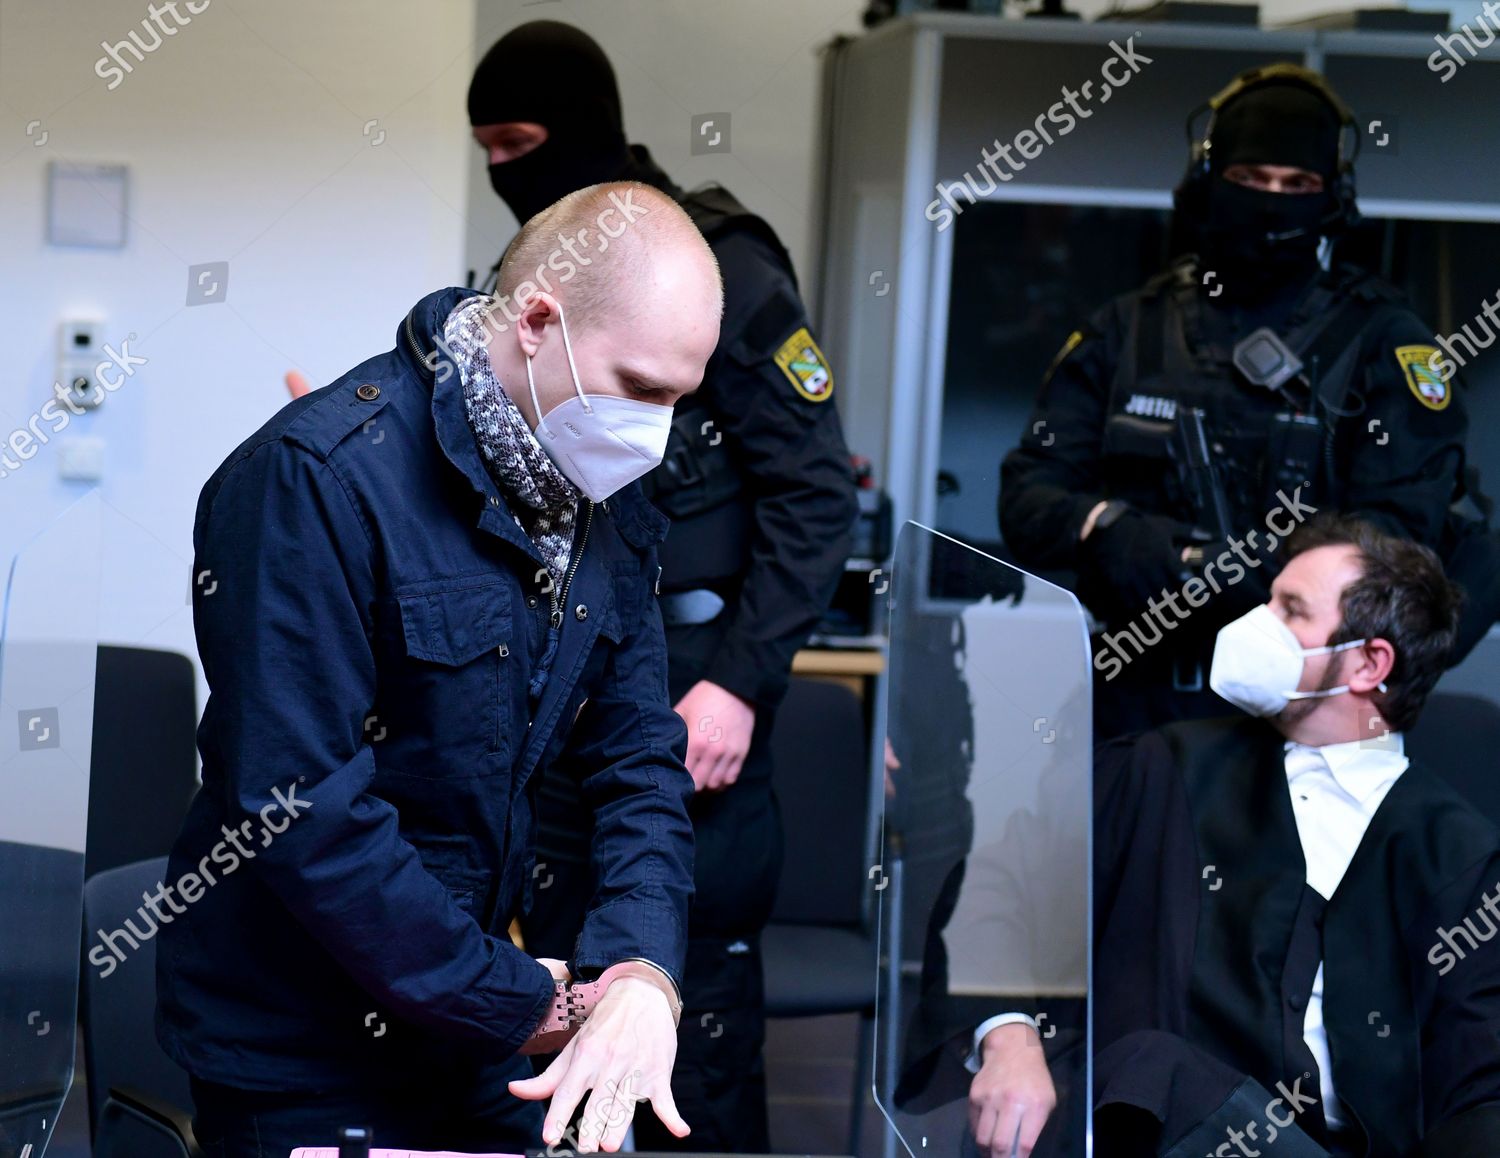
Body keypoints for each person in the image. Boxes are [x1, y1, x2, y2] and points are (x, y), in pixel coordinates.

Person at [154, 181, 723, 1157]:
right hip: (301, 1042)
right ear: (538, 322)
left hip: (474, 1015)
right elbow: (306, 814)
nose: (657, 432)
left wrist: (638, 973)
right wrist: (530, 999)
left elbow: (637, 761)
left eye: (681, 398)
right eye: (641, 388)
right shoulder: (315, 477)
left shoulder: (603, 497)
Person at [467, 21, 859, 1151]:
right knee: (555, 997)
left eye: (522, 143)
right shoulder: (528, 283)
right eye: (485, 149)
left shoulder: (721, 264)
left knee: (697, 1016)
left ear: (581, 129)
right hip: (552, 684)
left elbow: (814, 493)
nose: (503, 170)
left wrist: (742, 681)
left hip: (698, 688)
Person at [999, 63, 1497, 741]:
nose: (1271, 201)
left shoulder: (1385, 343)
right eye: (1249, 180)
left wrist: (1244, 578)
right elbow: (1028, 493)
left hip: (1302, 716)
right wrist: (1109, 528)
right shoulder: (1128, 329)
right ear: (1210, 181)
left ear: (1332, 195)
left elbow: (1396, 541)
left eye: (1297, 185)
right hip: (1133, 699)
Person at [979, 514, 1500, 1156]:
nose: (1255, 625)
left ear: (1369, 663)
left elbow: (1480, 1087)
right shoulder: (1165, 768)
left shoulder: (1458, 855)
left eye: (1291, 611)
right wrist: (1009, 1038)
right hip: (1148, 1121)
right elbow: (1000, 884)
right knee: (1153, 1067)